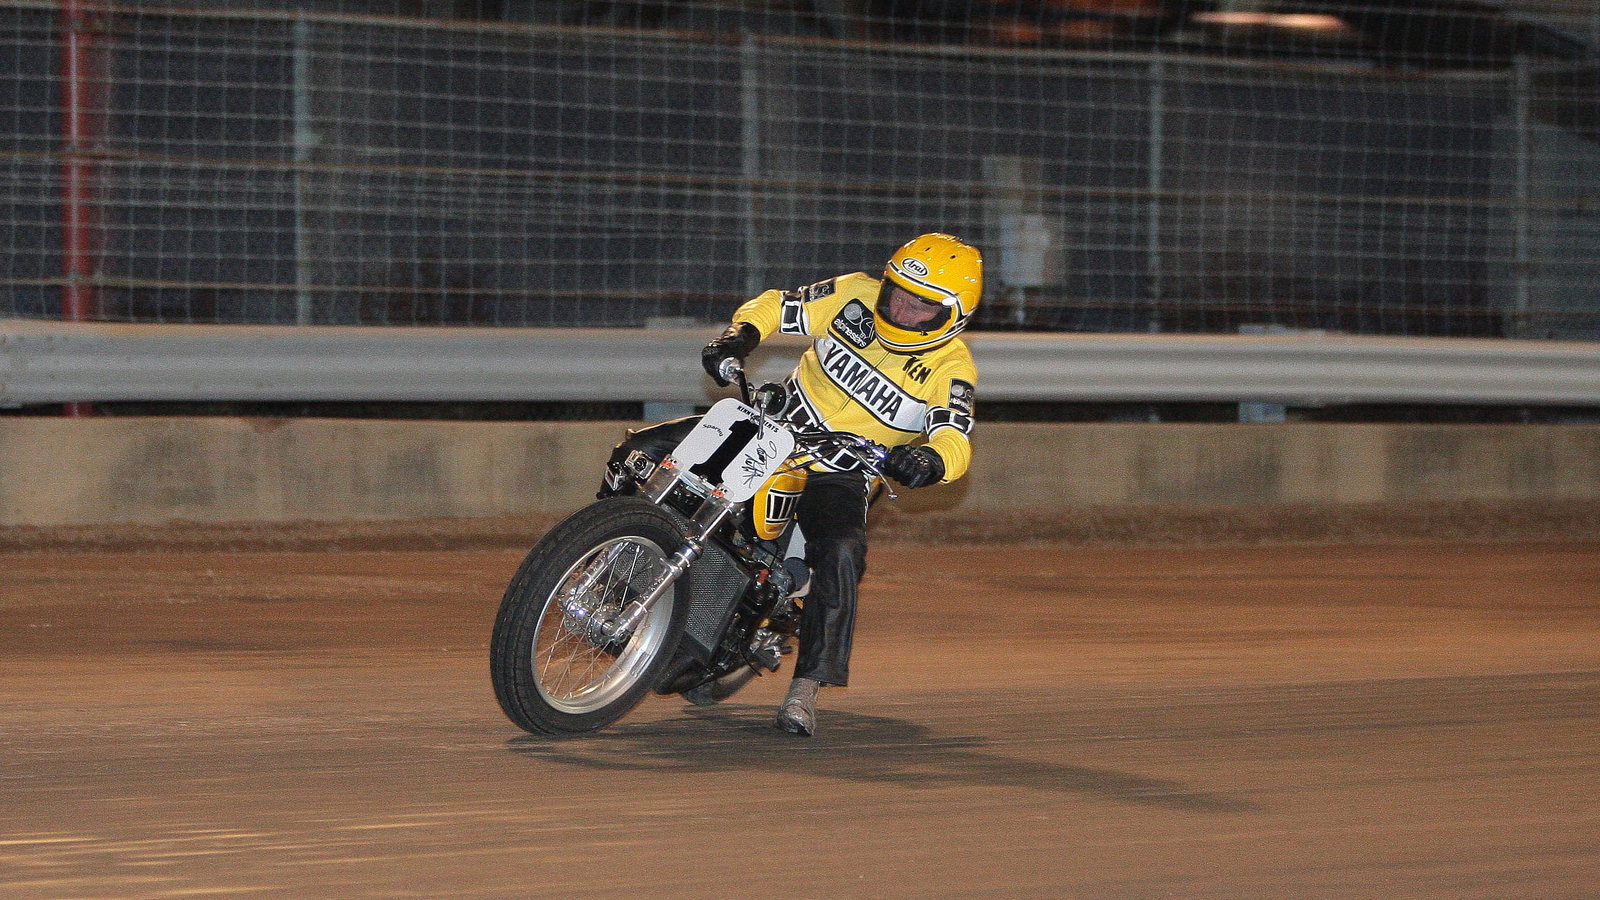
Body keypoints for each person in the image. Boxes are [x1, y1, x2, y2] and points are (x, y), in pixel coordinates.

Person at [699, 232, 982, 736]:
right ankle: (612, 540)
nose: (900, 307)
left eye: (921, 305)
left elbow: (956, 437)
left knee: (843, 549)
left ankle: (807, 685)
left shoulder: (951, 366)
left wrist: (932, 461)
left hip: (842, 470)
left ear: (952, 316)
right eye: (897, 290)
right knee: (656, 447)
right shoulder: (852, 294)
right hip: (774, 428)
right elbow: (776, 306)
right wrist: (741, 334)